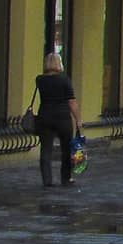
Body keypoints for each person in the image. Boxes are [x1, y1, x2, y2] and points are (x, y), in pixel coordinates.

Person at [33, 52, 82, 187]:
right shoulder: (65, 80)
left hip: (45, 117)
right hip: (63, 118)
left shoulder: (40, 80)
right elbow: (72, 102)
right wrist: (78, 119)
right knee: (66, 149)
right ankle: (66, 178)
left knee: (46, 150)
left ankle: (47, 180)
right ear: (59, 63)